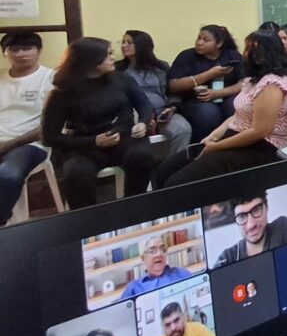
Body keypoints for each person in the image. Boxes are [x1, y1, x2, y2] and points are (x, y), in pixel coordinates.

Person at [158, 30, 287, 187]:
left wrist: (217, 147)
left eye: (250, 50)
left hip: (261, 148)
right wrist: (213, 136)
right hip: (239, 137)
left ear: (265, 54)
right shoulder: (254, 80)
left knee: (176, 183)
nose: (244, 54)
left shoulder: (272, 84)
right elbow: (239, 116)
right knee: (164, 171)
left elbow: (261, 131)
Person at [43, 38, 155, 209]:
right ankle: (89, 221)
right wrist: (94, 141)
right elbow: (50, 137)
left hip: (124, 138)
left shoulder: (122, 79)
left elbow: (145, 105)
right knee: (76, 173)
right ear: (92, 61)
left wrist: (143, 123)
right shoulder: (63, 93)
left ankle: (134, 207)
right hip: (85, 146)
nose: (113, 57)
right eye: (108, 54)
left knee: (141, 156)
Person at [0, 32, 54, 225]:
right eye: (14, 49)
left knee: (8, 175)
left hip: (31, 145)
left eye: (28, 48)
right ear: (5, 52)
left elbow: (51, 126)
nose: (21, 53)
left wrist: (9, 144)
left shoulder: (50, 79)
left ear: (39, 51)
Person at [116, 31, 191, 156]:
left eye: (129, 42)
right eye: (123, 42)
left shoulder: (161, 67)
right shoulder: (118, 69)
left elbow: (173, 91)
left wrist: (172, 108)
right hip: (135, 116)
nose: (124, 46)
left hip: (162, 113)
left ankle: (174, 168)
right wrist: (144, 119)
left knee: (183, 129)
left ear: (141, 45)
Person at [167, 25, 242, 147]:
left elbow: (245, 83)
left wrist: (218, 93)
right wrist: (209, 74)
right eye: (198, 38)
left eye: (206, 40)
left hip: (226, 96)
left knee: (237, 107)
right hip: (195, 101)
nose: (199, 43)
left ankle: (234, 148)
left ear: (219, 44)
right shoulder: (186, 56)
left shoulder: (232, 56)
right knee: (208, 113)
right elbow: (174, 85)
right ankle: (201, 149)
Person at [215, 191, 287, 265]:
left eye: (256, 210)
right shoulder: (227, 258)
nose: (251, 225)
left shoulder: (281, 228)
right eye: (242, 216)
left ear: (266, 207)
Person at [120, 235, 192, 299]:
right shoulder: (133, 288)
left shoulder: (181, 273)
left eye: (163, 250)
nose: (159, 254)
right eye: (152, 251)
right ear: (143, 258)